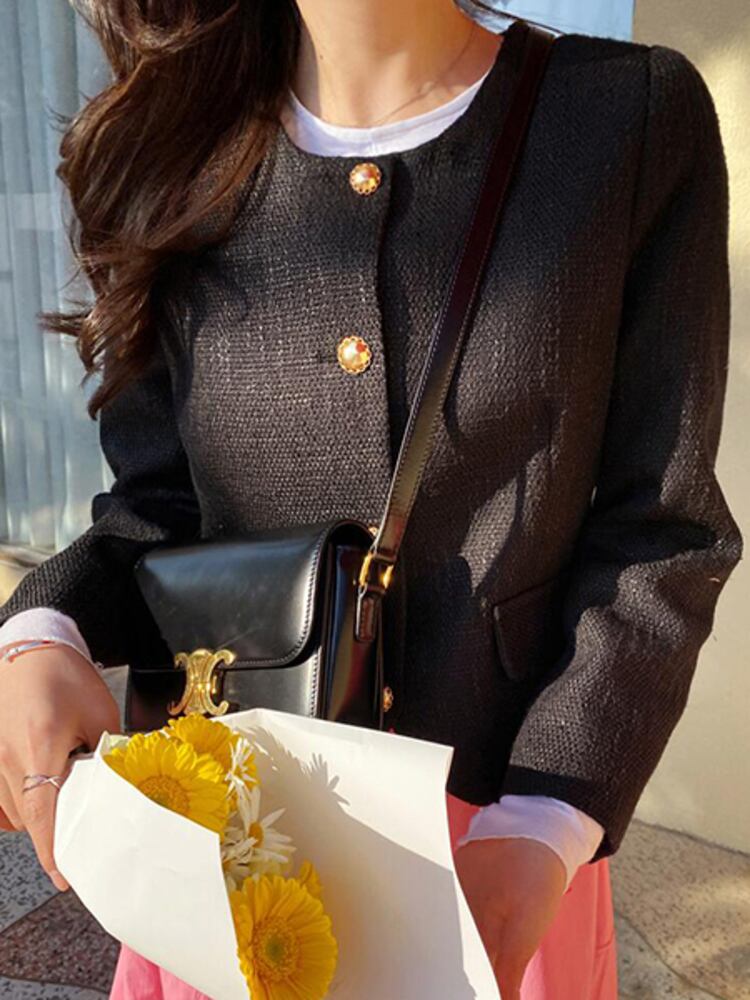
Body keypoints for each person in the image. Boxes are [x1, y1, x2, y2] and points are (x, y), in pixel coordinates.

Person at [0, 2, 741, 998]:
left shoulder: (626, 122)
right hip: (225, 858)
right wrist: (40, 634)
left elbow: (661, 530)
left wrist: (543, 827)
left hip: (498, 861)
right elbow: (155, 513)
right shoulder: (167, 145)